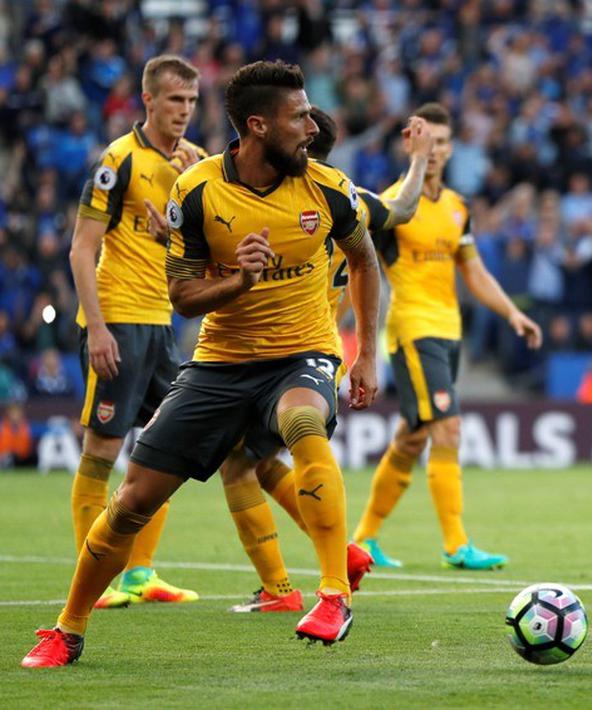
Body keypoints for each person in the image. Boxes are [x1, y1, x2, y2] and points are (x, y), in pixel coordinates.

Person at [22, 60, 382, 668]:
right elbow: (184, 295)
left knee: (303, 424)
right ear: (257, 126)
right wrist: (239, 280)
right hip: (218, 362)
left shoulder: (329, 188)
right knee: (134, 496)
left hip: (303, 353)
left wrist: (367, 353)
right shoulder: (195, 192)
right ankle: (69, 628)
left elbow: (366, 260)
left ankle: (331, 593)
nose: (310, 129)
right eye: (298, 117)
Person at [213, 107, 433, 613]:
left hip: (285, 350)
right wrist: (418, 161)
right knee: (256, 460)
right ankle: (342, 554)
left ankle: (280, 589)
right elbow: (401, 209)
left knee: (239, 464)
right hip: (318, 349)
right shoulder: (353, 200)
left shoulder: (297, 199)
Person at [350, 103, 542, 571]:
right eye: (425, 141)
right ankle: (456, 544)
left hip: (449, 332)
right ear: (410, 143)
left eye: (441, 142)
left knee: (410, 439)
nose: (433, 151)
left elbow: (473, 272)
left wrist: (512, 312)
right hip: (413, 330)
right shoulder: (393, 204)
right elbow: (359, 266)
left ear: (451, 147)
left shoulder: (458, 207)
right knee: (448, 430)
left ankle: (364, 540)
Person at [66, 55, 205, 609]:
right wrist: (96, 328)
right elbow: (81, 248)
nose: (184, 112)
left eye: (192, 102)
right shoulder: (117, 160)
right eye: (175, 101)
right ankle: (91, 577)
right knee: (101, 450)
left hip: (160, 324)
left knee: (165, 450)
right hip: (117, 321)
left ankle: (140, 573)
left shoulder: (191, 167)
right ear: (148, 101)